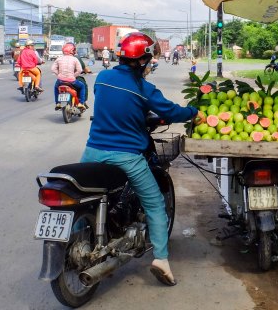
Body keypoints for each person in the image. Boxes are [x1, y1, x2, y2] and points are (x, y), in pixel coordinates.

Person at [81, 32, 199, 286]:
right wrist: (194, 112)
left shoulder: (102, 78)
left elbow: (113, 105)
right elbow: (171, 111)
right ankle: (161, 260)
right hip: (127, 156)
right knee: (155, 204)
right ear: (144, 60)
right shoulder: (144, 89)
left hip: (92, 152)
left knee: (90, 197)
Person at [52, 42, 88, 111]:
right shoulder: (75, 59)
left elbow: (53, 69)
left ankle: (58, 103)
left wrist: (59, 75)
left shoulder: (59, 59)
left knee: (56, 87)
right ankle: (81, 103)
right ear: (72, 51)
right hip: (72, 81)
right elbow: (80, 70)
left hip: (60, 81)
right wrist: (73, 76)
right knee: (82, 86)